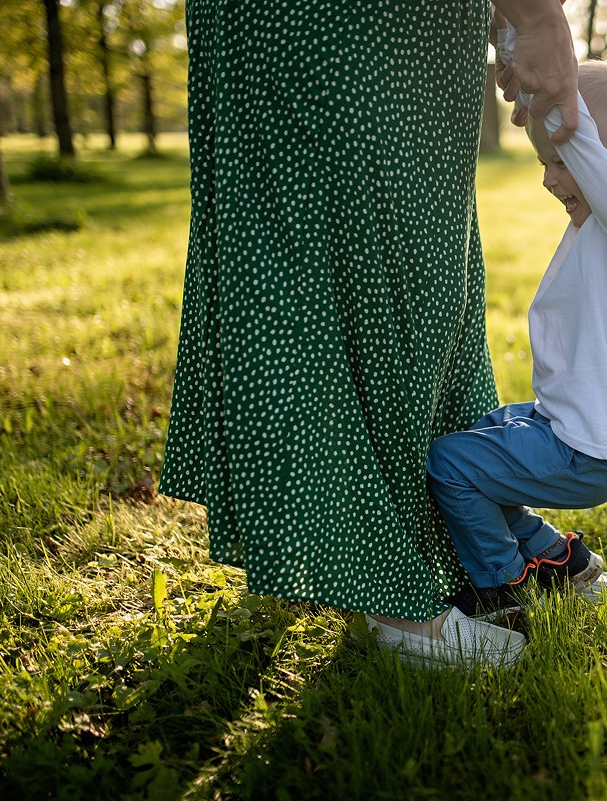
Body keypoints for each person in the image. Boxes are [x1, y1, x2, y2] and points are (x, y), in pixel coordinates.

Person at [158, 0, 579, 670]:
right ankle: (386, 585)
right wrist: (534, 14)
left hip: (424, 24)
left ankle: (464, 535)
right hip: (335, 20)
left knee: (423, 255)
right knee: (327, 237)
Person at [426, 57, 607, 616]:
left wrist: (551, 71)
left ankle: (502, 589)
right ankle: (560, 560)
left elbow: (587, 145)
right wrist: (517, 53)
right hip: (562, 425)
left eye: (561, 162)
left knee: (450, 464)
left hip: (584, 451)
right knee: (482, 438)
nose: (548, 178)